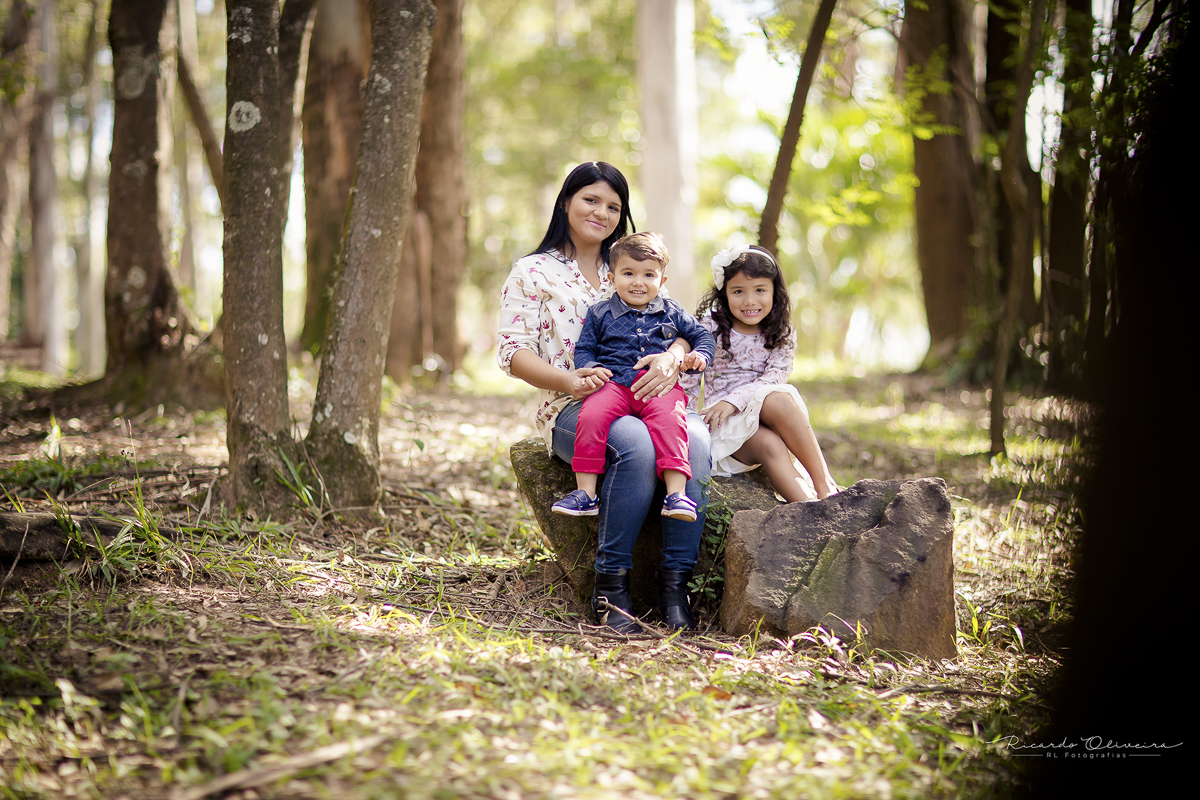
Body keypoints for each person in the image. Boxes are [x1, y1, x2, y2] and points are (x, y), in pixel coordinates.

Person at [497, 162, 712, 633]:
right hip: (577, 406)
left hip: (655, 396)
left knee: (695, 439)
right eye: (591, 200)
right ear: (566, 202)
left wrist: (673, 356)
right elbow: (511, 352)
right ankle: (611, 591)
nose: (602, 212)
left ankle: (676, 589)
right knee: (633, 443)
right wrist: (568, 380)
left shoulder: (637, 261)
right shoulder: (533, 271)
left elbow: (682, 328)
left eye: (614, 205)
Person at [552, 232, 716, 522]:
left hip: (658, 389)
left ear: (662, 281)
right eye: (628, 273)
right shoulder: (600, 313)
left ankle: (676, 494)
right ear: (613, 278)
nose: (638, 282)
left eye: (648, 274)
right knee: (590, 415)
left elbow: (701, 335)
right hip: (612, 384)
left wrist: (700, 355)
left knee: (672, 420)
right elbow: (586, 348)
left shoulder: (672, 311)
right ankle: (586, 493)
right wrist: (590, 367)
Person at [681, 244, 839, 503]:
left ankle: (824, 487)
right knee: (769, 446)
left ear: (775, 291)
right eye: (738, 291)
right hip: (727, 426)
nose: (750, 301)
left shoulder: (782, 331)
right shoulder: (710, 325)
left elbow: (775, 378)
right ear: (724, 293)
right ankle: (810, 509)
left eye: (760, 290)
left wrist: (733, 401)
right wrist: (684, 426)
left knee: (778, 396)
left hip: (766, 410)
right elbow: (689, 379)